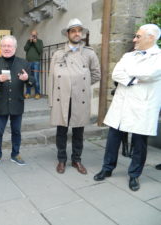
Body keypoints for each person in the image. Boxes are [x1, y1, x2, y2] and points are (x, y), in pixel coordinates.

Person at [94, 24, 161, 191]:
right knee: (113, 138)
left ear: (151, 37)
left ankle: (134, 175)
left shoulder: (158, 57)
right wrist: (134, 78)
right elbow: (116, 73)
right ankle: (107, 168)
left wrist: (129, 73)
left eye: (138, 36)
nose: (134, 39)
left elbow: (150, 73)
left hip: (142, 106)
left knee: (139, 143)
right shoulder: (128, 55)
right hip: (122, 105)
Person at [48, 18, 101, 175]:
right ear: (68, 34)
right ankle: (61, 160)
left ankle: (76, 159)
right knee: (61, 131)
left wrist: (81, 85)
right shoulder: (58, 54)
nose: (77, 34)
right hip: (61, 97)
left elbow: (96, 74)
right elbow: (51, 77)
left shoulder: (89, 53)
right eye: (74, 31)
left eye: (79, 31)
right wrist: (51, 100)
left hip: (80, 97)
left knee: (79, 131)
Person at [0, 35, 34, 168]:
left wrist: (26, 78)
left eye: (9, 46)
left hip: (17, 103)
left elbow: (32, 82)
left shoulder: (23, 63)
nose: (7, 48)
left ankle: (15, 154)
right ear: (1, 48)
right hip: (1, 103)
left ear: (15, 48)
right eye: (4, 46)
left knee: (16, 131)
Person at [24, 30, 43, 99]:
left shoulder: (39, 41)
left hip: (36, 62)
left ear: (37, 35)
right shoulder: (28, 41)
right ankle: (28, 93)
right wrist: (29, 42)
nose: (33, 36)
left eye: (34, 35)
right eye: (32, 35)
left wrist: (35, 43)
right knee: (28, 78)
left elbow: (40, 51)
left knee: (36, 79)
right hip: (28, 62)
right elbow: (25, 49)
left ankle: (37, 93)